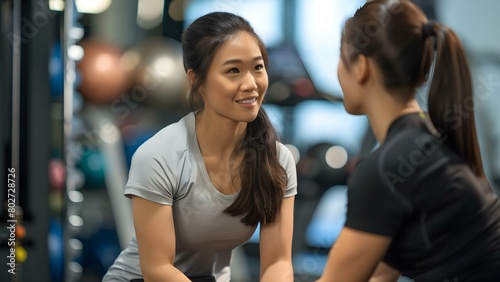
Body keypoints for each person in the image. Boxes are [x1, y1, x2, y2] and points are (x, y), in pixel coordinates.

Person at [103, 12, 297, 282]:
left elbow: (278, 262)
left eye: (258, 67)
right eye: (233, 71)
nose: (251, 84)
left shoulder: (277, 160)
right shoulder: (160, 156)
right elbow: (157, 269)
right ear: (196, 80)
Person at [317, 0, 500, 281]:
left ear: (362, 67)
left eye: (342, 58)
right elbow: (380, 275)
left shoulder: (386, 169)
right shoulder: (432, 137)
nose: (338, 71)